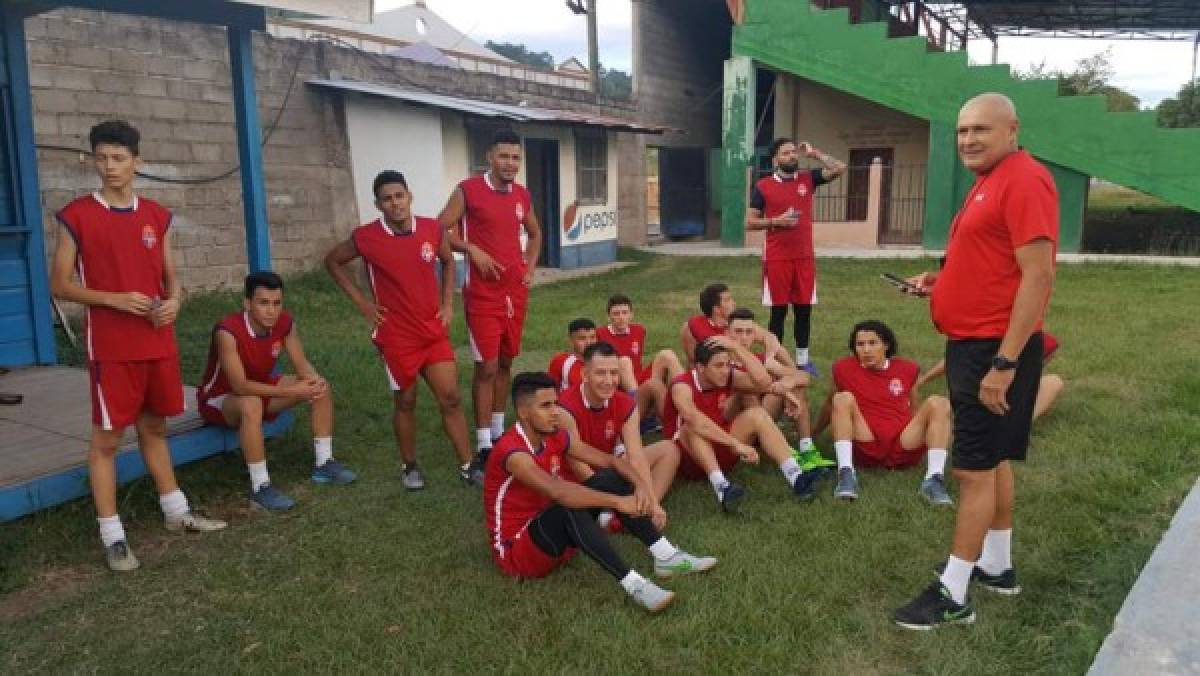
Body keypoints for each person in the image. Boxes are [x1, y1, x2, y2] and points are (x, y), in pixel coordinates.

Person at [892, 93, 1058, 630]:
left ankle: (954, 592)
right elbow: (992, 260)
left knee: (972, 469)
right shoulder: (991, 179)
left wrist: (1004, 363)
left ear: (1012, 128)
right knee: (994, 460)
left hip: (992, 350)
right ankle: (997, 565)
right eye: (962, 130)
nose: (968, 139)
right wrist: (940, 283)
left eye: (981, 129)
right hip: (975, 344)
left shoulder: (1024, 179)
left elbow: (1038, 276)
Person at [49, 120, 225, 572]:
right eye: (102, 158)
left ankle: (175, 512)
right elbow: (61, 284)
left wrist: (175, 301)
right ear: (92, 161)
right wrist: (113, 298)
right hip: (111, 347)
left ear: (137, 163)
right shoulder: (76, 216)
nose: (110, 166)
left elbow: (171, 277)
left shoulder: (156, 215)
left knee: (155, 429)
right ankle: (113, 535)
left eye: (119, 158)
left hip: (156, 341)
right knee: (107, 440)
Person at [484, 372, 717, 612]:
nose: (555, 411)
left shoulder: (554, 436)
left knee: (611, 477)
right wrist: (617, 503)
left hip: (553, 533)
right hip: (518, 552)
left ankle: (666, 556)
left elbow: (610, 461)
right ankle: (634, 585)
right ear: (523, 412)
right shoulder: (513, 452)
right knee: (567, 505)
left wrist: (641, 486)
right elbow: (558, 492)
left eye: (555, 403)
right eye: (546, 406)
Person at [325, 170, 479, 490]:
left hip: (432, 330)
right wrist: (363, 304)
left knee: (450, 398)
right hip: (396, 336)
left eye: (399, 196)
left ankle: (467, 466)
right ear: (378, 204)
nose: (395, 203)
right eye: (387, 199)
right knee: (405, 401)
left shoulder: (431, 229)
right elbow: (333, 261)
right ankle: (409, 466)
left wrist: (448, 303)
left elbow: (449, 262)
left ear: (409, 196)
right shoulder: (366, 237)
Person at [197, 272, 356, 510]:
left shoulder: (284, 324)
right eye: (263, 303)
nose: (271, 311)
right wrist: (292, 392)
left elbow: (302, 366)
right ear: (248, 303)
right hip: (221, 400)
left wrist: (313, 380)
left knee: (319, 386)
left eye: (276, 303)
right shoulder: (227, 331)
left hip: (261, 391)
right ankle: (260, 487)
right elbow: (239, 385)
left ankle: (324, 464)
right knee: (251, 403)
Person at [440, 129, 542, 469]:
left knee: (507, 361)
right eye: (504, 156)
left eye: (516, 158)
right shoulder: (468, 190)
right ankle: (483, 442)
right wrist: (471, 248)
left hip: (515, 293)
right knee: (486, 366)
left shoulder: (521, 196)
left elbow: (535, 232)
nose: (510, 163)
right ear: (490, 157)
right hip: (483, 294)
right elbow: (439, 228)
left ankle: (499, 430)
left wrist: (529, 264)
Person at [664, 337, 823, 512]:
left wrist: (735, 346)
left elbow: (762, 382)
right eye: (718, 366)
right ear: (701, 368)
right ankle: (722, 488)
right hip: (689, 459)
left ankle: (797, 477)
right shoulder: (681, 385)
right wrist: (736, 444)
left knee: (758, 415)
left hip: (719, 447)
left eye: (727, 364)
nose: (725, 371)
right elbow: (694, 419)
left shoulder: (727, 377)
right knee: (691, 426)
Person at [811, 320, 952, 504]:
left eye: (873, 343)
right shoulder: (843, 368)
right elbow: (831, 405)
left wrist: (934, 433)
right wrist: (811, 434)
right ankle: (846, 474)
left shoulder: (907, 369)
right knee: (841, 398)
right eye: (860, 344)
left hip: (902, 444)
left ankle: (934, 479)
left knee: (939, 403)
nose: (866, 350)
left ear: (886, 345)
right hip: (867, 444)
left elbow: (915, 409)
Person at [745, 138, 847, 377]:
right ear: (775, 159)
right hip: (777, 258)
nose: (792, 156)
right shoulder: (763, 186)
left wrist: (816, 153)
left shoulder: (807, 179)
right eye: (786, 152)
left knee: (803, 310)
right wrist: (775, 222)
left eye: (793, 152)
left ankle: (803, 361)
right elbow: (749, 222)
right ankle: (774, 361)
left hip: (804, 258)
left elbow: (840, 167)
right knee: (778, 312)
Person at [557, 342, 681, 529]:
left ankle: (644, 507)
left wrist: (652, 501)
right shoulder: (565, 408)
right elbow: (578, 466)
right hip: (575, 480)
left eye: (614, 373)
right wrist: (615, 499)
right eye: (601, 373)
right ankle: (615, 511)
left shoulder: (625, 404)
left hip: (611, 465)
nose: (609, 381)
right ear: (585, 374)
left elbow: (636, 456)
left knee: (669, 449)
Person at [725, 308, 834, 474]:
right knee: (747, 393)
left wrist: (788, 383)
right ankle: (785, 451)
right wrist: (782, 390)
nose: (744, 337)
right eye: (738, 332)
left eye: (749, 332)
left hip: (762, 419)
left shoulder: (760, 360)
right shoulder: (720, 361)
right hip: (735, 429)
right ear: (727, 333)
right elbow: (754, 384)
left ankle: (807, 449)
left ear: (755, 335)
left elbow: (805, 377)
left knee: (794, 383)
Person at [916, 330, 1064, 421]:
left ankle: (1018, 421)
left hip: (989, 389)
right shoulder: (1044, 342)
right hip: (992, 389)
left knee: (1054, 381)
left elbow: (952, 360)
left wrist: (923, 380)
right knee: (1054, 381)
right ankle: (1019, 421)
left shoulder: (989, 333)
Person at [597, 294, 684, 395]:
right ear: (608, 317)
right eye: (616, 314)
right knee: (624, 361)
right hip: (618, 381)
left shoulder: (639, 330)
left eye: (625, 313)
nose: (621, 317)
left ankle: (685, 393)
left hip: (639, 377)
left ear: (631, 315)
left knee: (667, 354)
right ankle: (636, 403)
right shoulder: (599, 334)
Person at [679, 282, 781, 367]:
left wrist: (769, 357)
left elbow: (771, 337)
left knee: (780, 353)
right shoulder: (693, 327)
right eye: (728, 300)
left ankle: (793, 372)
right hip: (725, 375)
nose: (734, 303)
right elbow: (694, 363)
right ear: (716, 309)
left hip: (746, 365)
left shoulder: (738, 323)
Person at [547, 318, 597, 391]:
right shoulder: (560, 361)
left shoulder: (604, 360)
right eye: (582, 338)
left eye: (592, 337)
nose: (588, 343)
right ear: (571, 340)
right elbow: (551, 390)